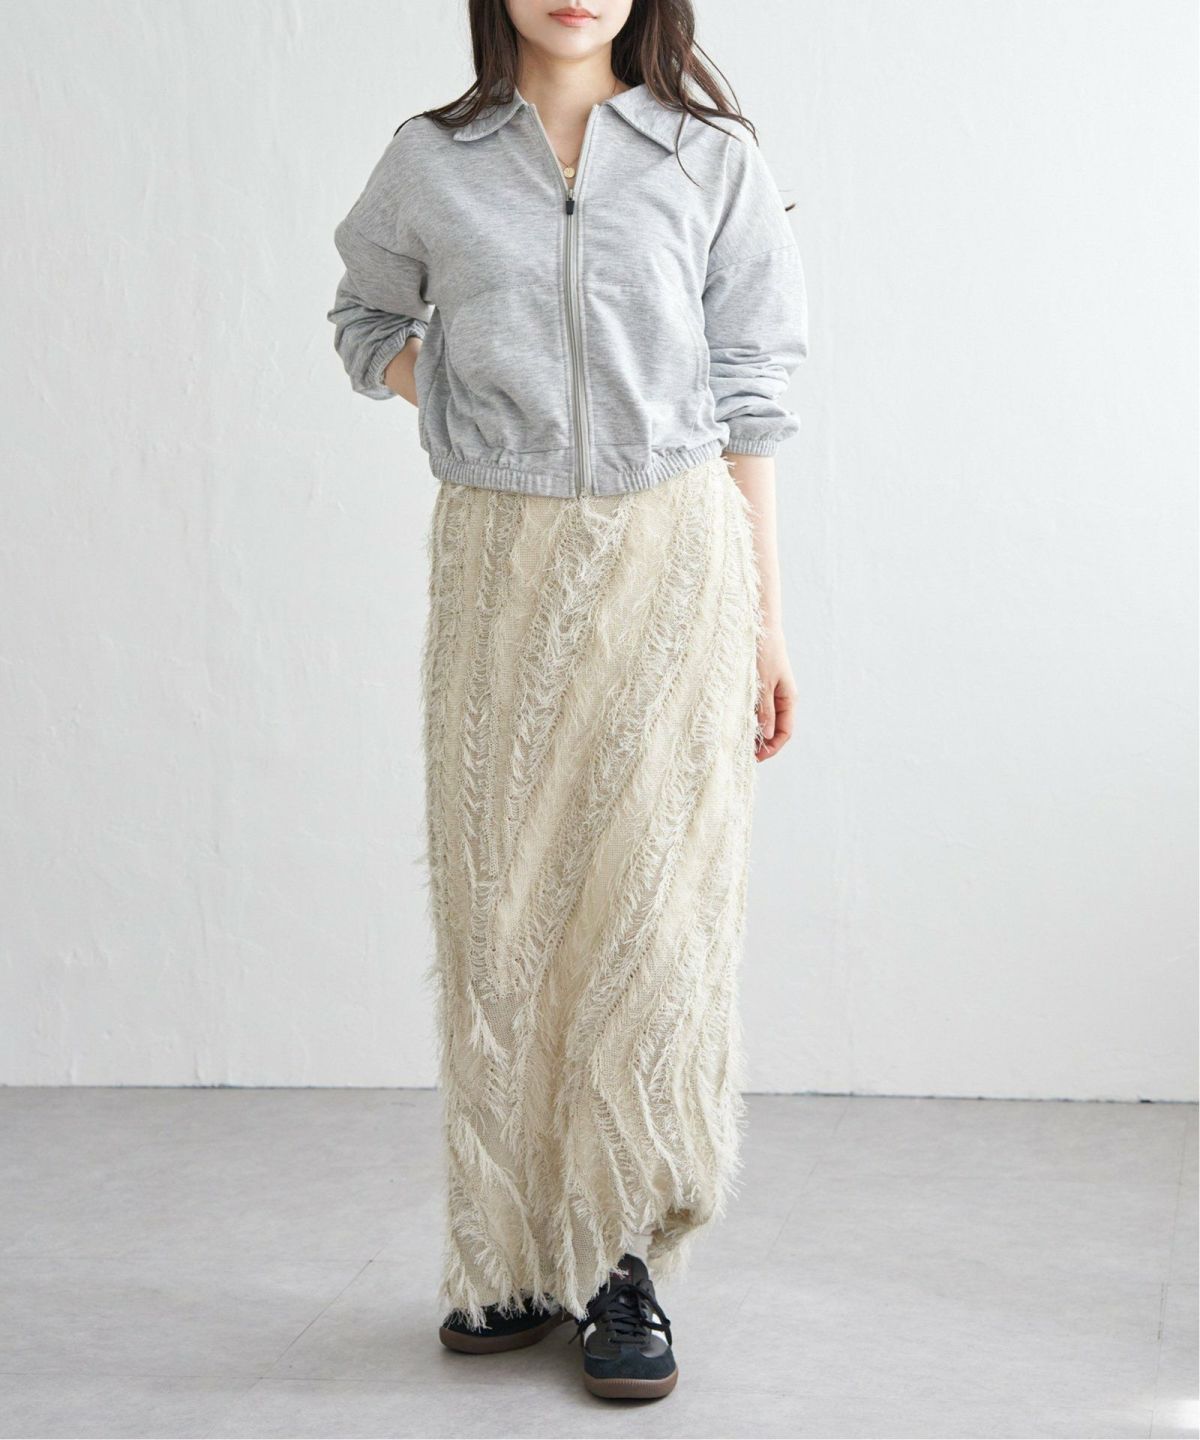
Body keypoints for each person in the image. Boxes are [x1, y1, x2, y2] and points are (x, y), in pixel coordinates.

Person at [326, 0, 808, 1403]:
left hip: (674, 557)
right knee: (506, 909)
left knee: (651, 912)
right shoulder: (433, 158)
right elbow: (364, 317)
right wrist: (452, 384)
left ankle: (623, 1260)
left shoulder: (709, 160)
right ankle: (518, 1250)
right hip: (501, 557)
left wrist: (768, 625)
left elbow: (753, 394)